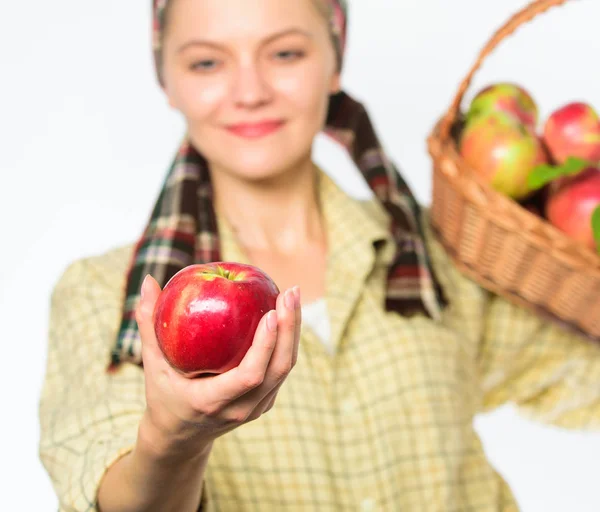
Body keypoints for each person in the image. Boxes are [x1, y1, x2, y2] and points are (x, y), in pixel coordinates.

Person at [38, 0, 600, 511]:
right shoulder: (113, 296)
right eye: (207, 63)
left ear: (334, 59)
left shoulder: (438, 256)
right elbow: (111, 497)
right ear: (167, 79)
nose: (250, 90)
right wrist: (172, 439)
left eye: (285, 53)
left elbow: (583, 371)